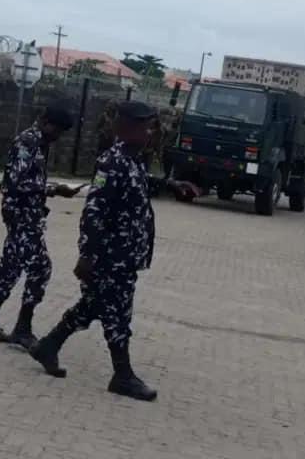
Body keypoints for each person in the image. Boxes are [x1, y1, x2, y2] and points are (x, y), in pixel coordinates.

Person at [29, 100, 193, 401]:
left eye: (151, 128)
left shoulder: (133, 160)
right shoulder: (112, 162)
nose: (150, 133)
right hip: (110, 256)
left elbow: (139, 184)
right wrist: (87, 255)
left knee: (92, 306)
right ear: (126, 128)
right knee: (117, 314)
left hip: (124, 256)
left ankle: (48, 346)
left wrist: (171, 184)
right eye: (145, 128)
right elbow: (94, 211)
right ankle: (122, 375)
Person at [0, 103, 77, 349]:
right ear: (46, 122)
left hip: (26, 216)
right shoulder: (28, 142)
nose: (58, 136)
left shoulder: (38, 143)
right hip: (21, 217)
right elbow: (17, 182)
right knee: (40, 268)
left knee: (10, 267)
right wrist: (53, 189)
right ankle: (22, 329)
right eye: (57, 130)